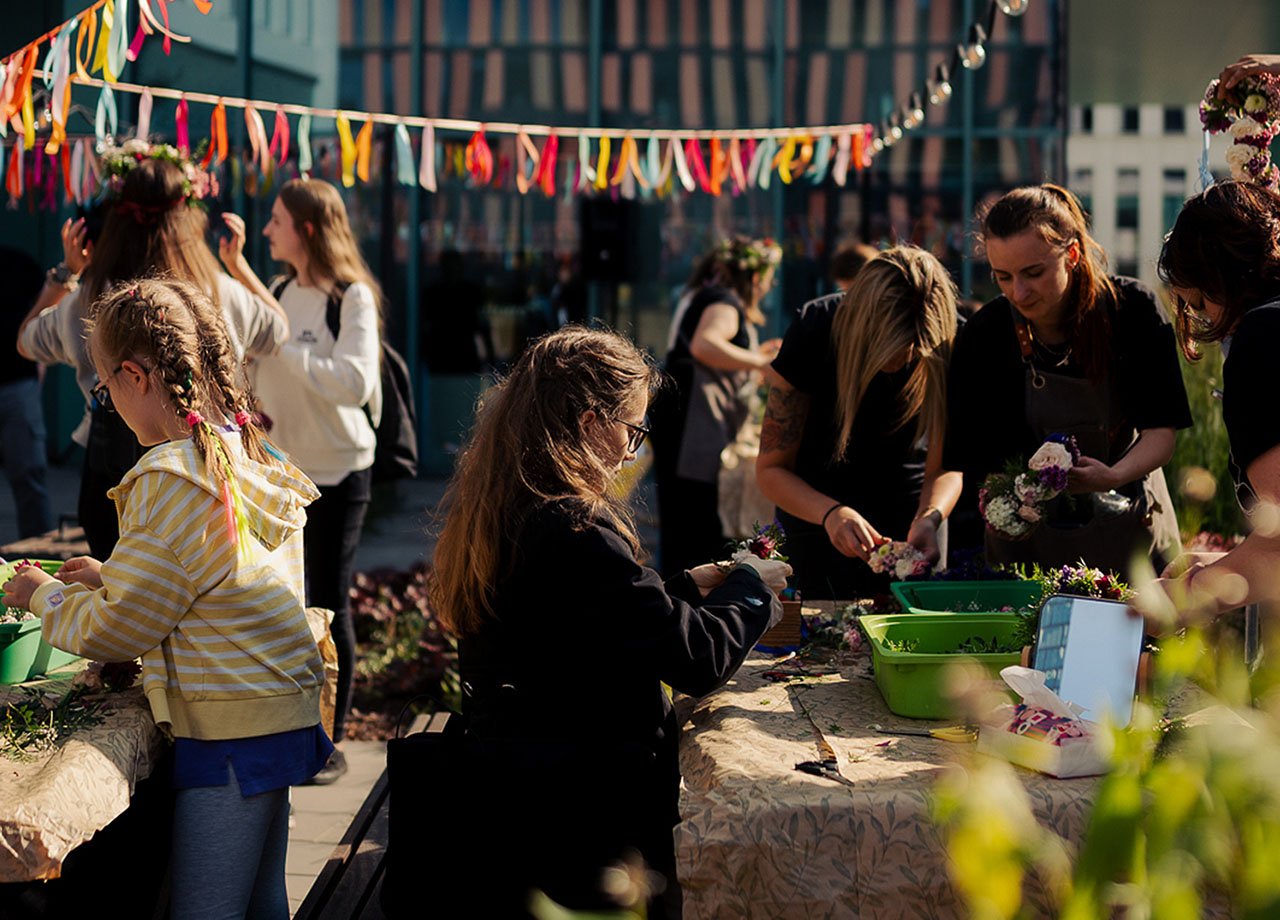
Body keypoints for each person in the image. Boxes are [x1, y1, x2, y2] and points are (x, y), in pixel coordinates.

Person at [428, 326, 789, 915]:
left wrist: (684, 587)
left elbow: (582, 624)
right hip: (582, 814)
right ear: (592, 422)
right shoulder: (573, 528)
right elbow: (698, 660)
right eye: (633, 431)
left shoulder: (509, 502)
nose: (631, 452)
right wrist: (751, 586)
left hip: (529, 787)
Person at [2, 279, 329, 920]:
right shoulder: (238, 449)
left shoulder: (168, 480)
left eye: (104, 389)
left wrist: (43, 597)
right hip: (276, 712)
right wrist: (112, 575)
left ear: (133, 376)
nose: (109, 402)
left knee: (205, 910)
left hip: (230, 730)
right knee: (261, 902)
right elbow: (207, 580)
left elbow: (118, 630)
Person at [17, 148, 287, 560]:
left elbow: (26, 340)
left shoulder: (89, 298)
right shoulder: (220, 292)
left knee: (119, 587)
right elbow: (278, 331)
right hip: (206, 470)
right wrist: (238, 266)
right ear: (189, 221)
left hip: (110, 475)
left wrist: (65, 274)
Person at [943, 184, 1192, 576]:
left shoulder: (1132, 310)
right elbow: (970, 460)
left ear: (1072, 254)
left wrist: (1111, 476)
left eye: (1033, 273)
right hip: (1027, 550)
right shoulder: (984, 334)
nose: (1018, 292)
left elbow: (1160, 434)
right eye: (1002, 276)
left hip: (1129, 526)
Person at [227, 177, 383, 784]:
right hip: (282, 476)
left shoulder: (352, 297)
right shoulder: (279, 291)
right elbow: (256, 363)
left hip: (340, 471)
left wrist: (285, 347)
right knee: (286, 605)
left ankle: (328, 743)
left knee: (329, 602)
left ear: (308, 229)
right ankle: (292, 731)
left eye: (276, 221)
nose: (267, 230)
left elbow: (355, 383)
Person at [756, 246, 961, 599]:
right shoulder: (816, 328)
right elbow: (770, 470)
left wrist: (930, 517)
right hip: (816, 525)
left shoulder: (952, 340)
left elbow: (946, 468)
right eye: (890, 346)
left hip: (914, 532)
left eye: (914, 348)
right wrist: (831, 514)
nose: (904, 359)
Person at [1141, 180, 1280, 629]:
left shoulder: (1262, 338)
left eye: (1199, 304)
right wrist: (1225, 562)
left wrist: (1188, 594)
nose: (1205, 321)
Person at [650, 236, 784, 576]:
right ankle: (689, 593)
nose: (770, 287)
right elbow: (704, 344)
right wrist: (759, 362)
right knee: (693, 520)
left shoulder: (705, 296)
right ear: (755, 277)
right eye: (769, 279)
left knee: (683, 520)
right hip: (694, 429)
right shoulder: (724, 302)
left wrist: (752, 359)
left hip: (685, 424)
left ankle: (680, 588)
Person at [0, 247, 53, 539]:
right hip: (20, 384)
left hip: (19, 384)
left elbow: (46, 308)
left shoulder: (19, 263)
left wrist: (40, 362)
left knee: (29, 473)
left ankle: (37, 552)